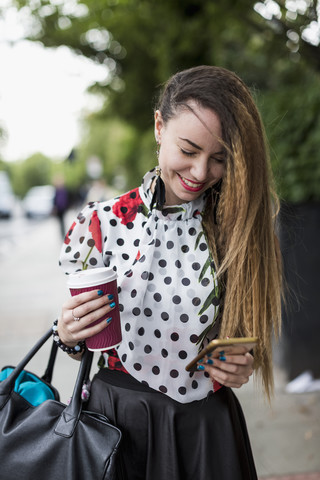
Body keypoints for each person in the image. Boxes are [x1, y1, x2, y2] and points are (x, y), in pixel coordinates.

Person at [56, 65, 282, 480]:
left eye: (219, 158)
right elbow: (82, 343)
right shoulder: (99, 223)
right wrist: (68, 335)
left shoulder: (241, 227)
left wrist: (242, 365)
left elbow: (244, 343)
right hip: (115, 423)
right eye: (189, 150)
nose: (200, 173)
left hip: (204, 429)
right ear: (160, 127)